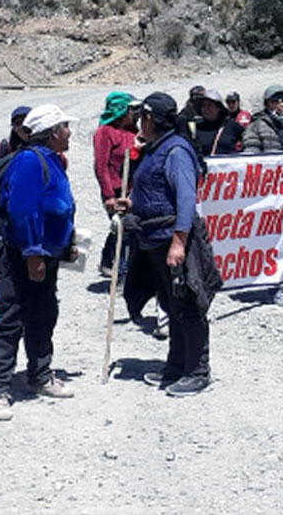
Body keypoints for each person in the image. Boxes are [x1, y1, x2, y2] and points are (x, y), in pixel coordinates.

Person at [114, 92, 215, 397]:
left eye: (140, 117)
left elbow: (185, 199)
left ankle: (198, 370)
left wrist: (178, 243)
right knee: (172, 305)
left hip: (172, 239)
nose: (136, 123)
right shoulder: (156, 149)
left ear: (150, 119)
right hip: (154, 239)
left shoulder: (175, 152)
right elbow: (155, 192)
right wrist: (131, 204)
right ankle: (175, 366)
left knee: (187, 305)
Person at [0, 104, 78, 421]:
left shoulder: (52, 160)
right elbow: (23, 212)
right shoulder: (28, 161)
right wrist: (33, 254)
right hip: (20, 254)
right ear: (53, 133)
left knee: (43, 313)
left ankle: (39, 375)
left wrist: (67, 243)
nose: (69, 132)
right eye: (65, 126)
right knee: (11, 318)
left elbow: (58, 207)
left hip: (45, 254)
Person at [242, 85, 283, 306]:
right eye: (275, 100)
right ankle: (272, 289)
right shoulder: (257, 127)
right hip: (269, 196)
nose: (280, 104)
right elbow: (249, 159)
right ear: (267, 104)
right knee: (271, 242)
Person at [94, 92, 138, 279]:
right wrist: (108, 195)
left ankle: (107, 258)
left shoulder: (133, 131)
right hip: (115, 189)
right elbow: (100, 166)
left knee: (128, 228)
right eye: (131, 109)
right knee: (123, 230)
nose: (135, 113)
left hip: (132, 188)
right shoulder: (104, 133)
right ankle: (121, 273)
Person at [242, 85, 283, 154]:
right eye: (274, 101)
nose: (280, 104)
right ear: (267, 104)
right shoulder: (256, 126)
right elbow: (250, 153)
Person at [192, 89, 244, 157]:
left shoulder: (232, 126)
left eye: (210, 105)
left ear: (219, 107)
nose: (206, 109)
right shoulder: (196, 128)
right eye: (203, 106)